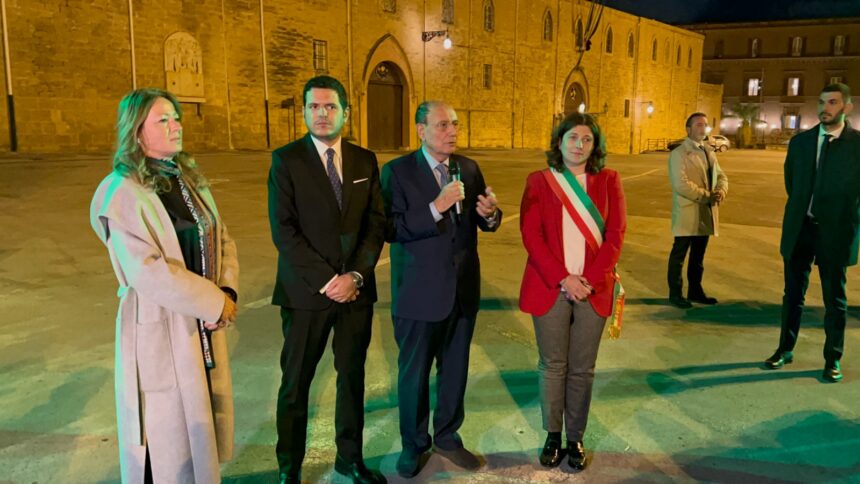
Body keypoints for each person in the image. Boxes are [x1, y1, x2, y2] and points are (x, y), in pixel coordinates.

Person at [90, 88, 239, 483]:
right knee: (164, 443)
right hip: (161, 327)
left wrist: (228, 292)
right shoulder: (123, 192)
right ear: (137, 132)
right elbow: (147, 271)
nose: (175, 127)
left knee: (198, 433)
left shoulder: (187, 179)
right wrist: (212, 303)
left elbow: (220, 236)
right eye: (163, 120)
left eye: (176, 118)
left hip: (201, 325)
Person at [268, 75, 386, 484]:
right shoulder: (287, 161)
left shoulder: (364, 160)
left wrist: (355, 275)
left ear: (345, 113)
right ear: (303, 112)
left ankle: (349, 459)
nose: (322, 114)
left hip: (355, 292)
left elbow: (376, 224)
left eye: (330, 107)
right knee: (296, 384)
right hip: (306, 294)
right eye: (314, 107)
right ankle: (290, 467)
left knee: (352, 379)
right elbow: (284, 231)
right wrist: (327, 280)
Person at [381, 101, 501, 478]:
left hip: (462, 292)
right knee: (413, 376)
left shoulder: (468, 168)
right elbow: (390, 228)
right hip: (418, 294)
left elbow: (484, 223)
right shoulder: (397, 172)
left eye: (455, 124)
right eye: (442, 125)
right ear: (420, 130)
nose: (452, 131)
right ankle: (413, 444)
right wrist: (436, 207)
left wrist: (491, 214)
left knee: (455, 370)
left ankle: (448, 436)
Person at [518, 112, 626, 471]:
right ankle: (552, 434)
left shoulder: (609, 180)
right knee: (553, 365)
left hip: (593, 290)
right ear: (559, 142)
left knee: (582, 368)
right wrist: (565, 278)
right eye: (572, 138)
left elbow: (616, 235)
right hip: (551, 286)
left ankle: (575, 437)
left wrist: (588, 280)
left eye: (587, 139)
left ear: (595, 146)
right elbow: (531, 235)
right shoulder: (539, 181)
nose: (579, 145)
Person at [764, 83, 860, 383]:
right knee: (792, 294)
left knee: (835, 300)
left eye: (832, 102)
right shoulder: (801, 143)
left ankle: (832, 358)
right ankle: (784, 349)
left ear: (846, 107)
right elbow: (792, 184)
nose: (825, 108)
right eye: (821, 102)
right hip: (800, 230)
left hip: (835, 233)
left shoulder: (857, 146)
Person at [666, 112, 729, 308]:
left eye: (705, 125)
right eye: (699, 125)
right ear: (688, 129)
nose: (703, 128)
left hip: (705, 213)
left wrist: (721, 190)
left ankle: (695, 290)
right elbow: (680, 184)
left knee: (698, 257)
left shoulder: (708, 151)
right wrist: (706, 195)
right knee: (679, 255)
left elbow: (721, 176)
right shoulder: (679, 154)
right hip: (688, 211)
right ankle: (675, 293)